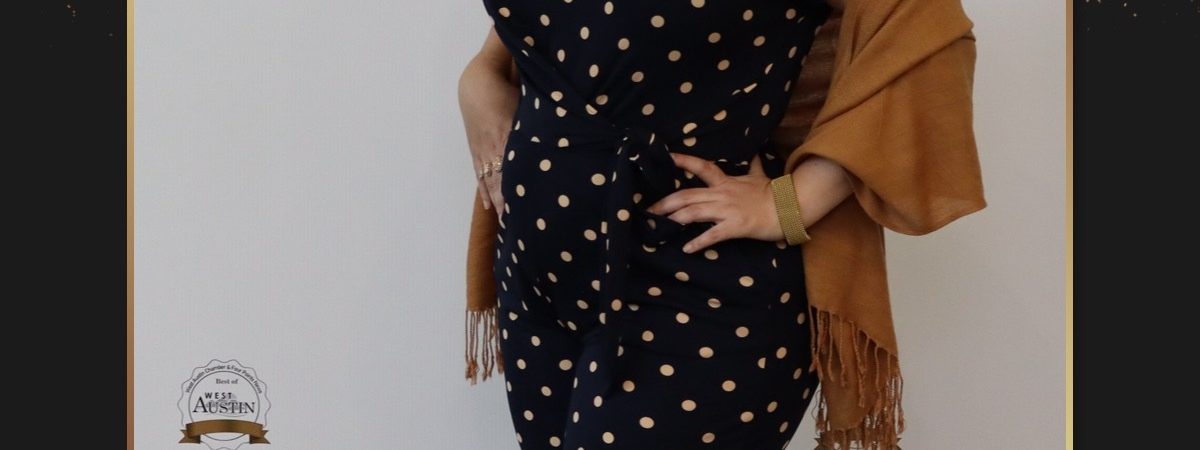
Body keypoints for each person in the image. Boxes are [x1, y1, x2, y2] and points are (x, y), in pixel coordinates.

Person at [458, 1, 985, 449]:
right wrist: (479, 77)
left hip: (693, 283)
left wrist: (792, 202)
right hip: (535, 278)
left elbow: (926, 26)